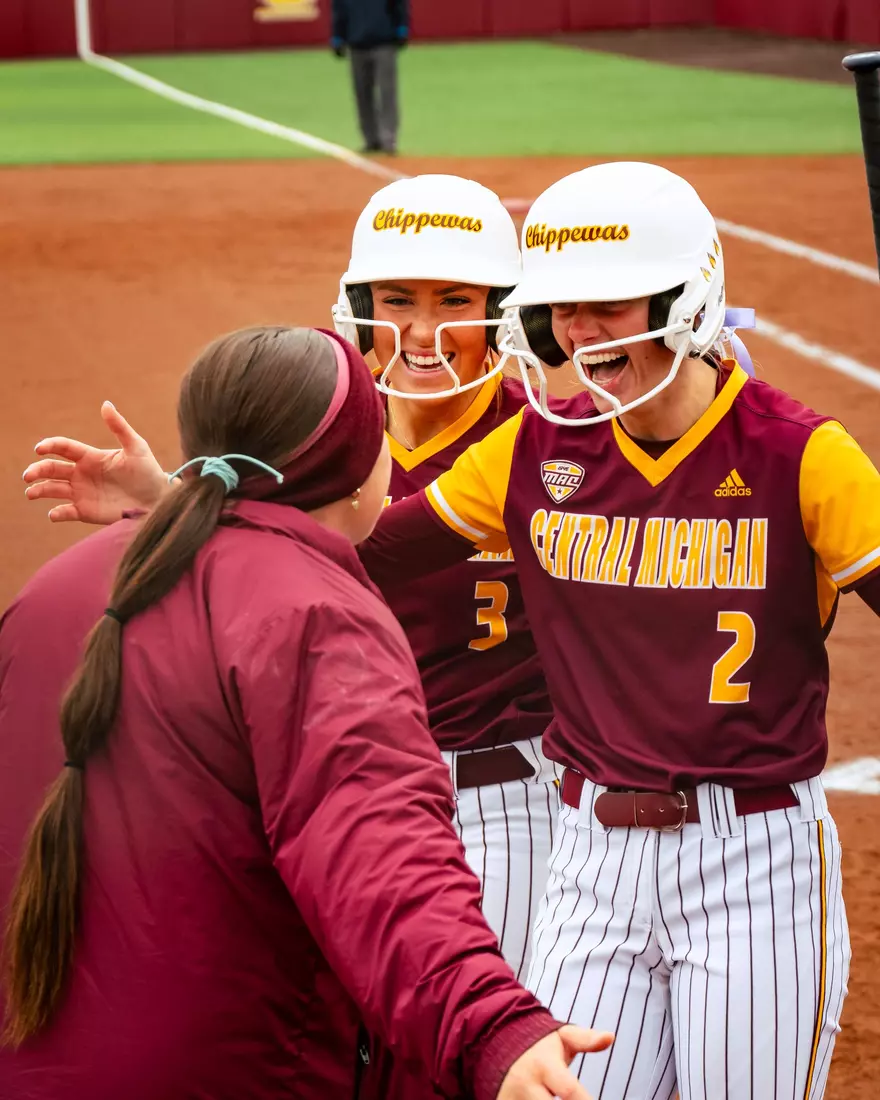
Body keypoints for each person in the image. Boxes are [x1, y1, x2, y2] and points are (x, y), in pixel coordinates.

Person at [354, 162, 872, 1098]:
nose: (580, 334)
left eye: (609, 306)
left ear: (687, 302)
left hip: (753, 859)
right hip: (590, 859)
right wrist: (184, 505)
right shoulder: (533, 446)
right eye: (562, 310)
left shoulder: (802, 455)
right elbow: (369, 552)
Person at [0, 325, 614, 1099]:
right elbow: (381, 863)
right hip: (240, 1071)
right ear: (358, 474)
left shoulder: (52, 588)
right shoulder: (319, 617)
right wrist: (489, 1028)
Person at [21, 174, 562, 983]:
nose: (422, 331)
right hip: (329, 777)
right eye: (397, 300)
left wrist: (170, 499)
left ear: (503, 313)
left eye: (455, 300)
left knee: (461, 1017)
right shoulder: (320, 420)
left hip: (501, 801)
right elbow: (255, 566)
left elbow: (331, 548)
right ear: (359, 306)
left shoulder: (544, 441)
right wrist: (174, 498)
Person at [331, 0, 408, 155]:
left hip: (384, 41)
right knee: (362, 94)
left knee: (387, 92)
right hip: (356, 43)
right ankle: (371, 139)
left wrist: (401, 27)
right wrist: (338, 35)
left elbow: (399, 4)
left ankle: (389, 139)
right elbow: (339, 10)